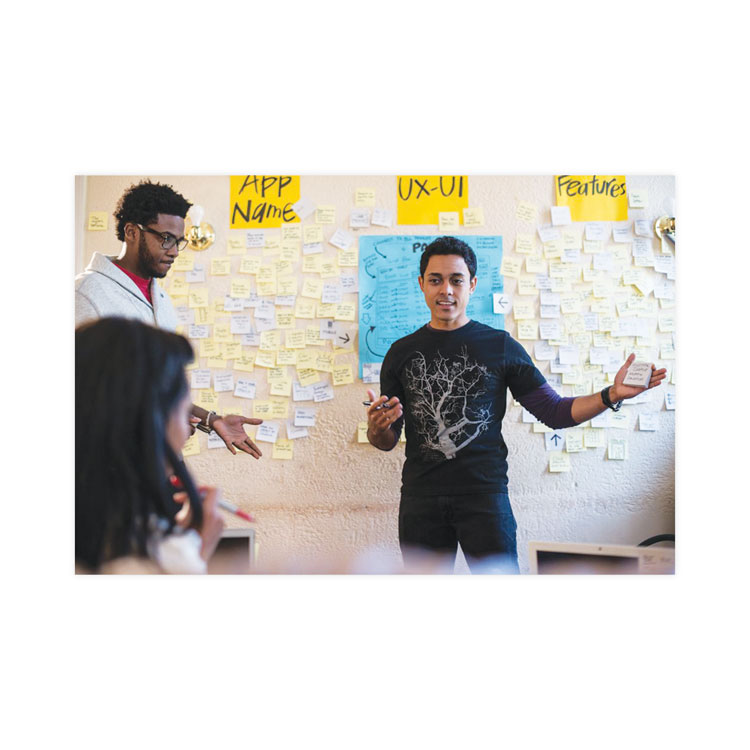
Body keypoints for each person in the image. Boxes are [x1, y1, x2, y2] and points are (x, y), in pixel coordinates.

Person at [366, 236, 667, 574]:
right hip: (421, 499)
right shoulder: (401, 353)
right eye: (436, 280)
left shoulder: (499, 346)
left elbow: (554, 412)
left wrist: (611, 394)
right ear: (422, 284)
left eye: (456, 280)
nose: (446, 290)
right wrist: (377, 429)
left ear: (472, 284)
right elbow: (387, 440)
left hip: (484, 498)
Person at [75, 179, 262, 458]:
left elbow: (156, 385)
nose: (174, 251)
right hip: (107, 461)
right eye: (166, 238)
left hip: (153, 456)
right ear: (131, 232)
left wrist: (210, 419)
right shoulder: (86, 292)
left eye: (178, 242)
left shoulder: (160, 298)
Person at [75, 318, 225, 574]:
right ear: (149, 420)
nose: (188, 431)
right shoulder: (143, 561)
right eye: (184, 412)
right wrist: (194, 553)